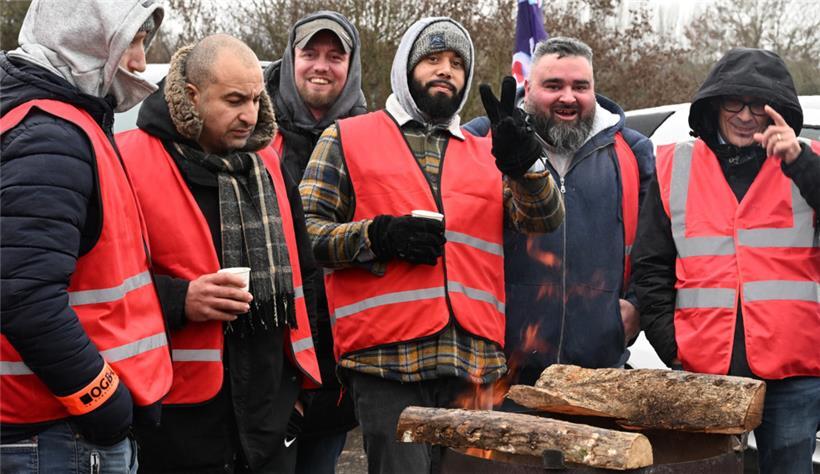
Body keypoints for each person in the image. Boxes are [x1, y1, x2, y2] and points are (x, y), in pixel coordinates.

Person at [300, 16, 564, 473]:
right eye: (432, 58)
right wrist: (375, 236)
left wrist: (526, 165)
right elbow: (303, 234)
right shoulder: (347, 137)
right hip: (386, 364)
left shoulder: (490, 152)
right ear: (406, 66)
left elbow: (545, 220)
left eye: (457, 62)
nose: (445, 69)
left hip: (474, 365)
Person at [115, 34, 322, 473]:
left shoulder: (267, 165)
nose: (249, 116)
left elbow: (307, 278)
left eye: (254, 99)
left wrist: (299, 401)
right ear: (191, 97)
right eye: (233, 101)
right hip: (174, 422)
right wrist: (179, 300)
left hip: (269, 421)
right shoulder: (128, 161)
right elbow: (98, 286)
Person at [0, 1, 171, 472]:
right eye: (133, 41)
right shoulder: (49, 135)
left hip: (56, 429)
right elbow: (24, 297)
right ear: (92, 39)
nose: (140, 62)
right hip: (55, 433)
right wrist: (104, 404)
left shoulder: (57, 121)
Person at [632, 48, 820, 474]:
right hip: (704, 366)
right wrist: (672, 347)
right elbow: (650, 266)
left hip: (794, 370)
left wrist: (800, 162)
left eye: (759, 104)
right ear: (714, 106)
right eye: (734, 102)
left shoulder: (808, 159)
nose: (746, 115)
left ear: (779, 112)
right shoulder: (674, 164)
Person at [463, 37, 655, 385]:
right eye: (554, 86)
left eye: (580, 86)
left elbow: (654, 246)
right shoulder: (480, 139)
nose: (568, 97)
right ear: (528, 88)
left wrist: (637, 307)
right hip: (498, 373)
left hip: (599, 375)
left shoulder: (632, 151)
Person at [264, 11, 366, 472]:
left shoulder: (371, 138)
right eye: (310, 53)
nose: (321, 65)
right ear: (291, 59)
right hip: (266, 356)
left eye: (335, 56)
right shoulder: (251, 131)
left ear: (352, 65)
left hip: (336, 363)